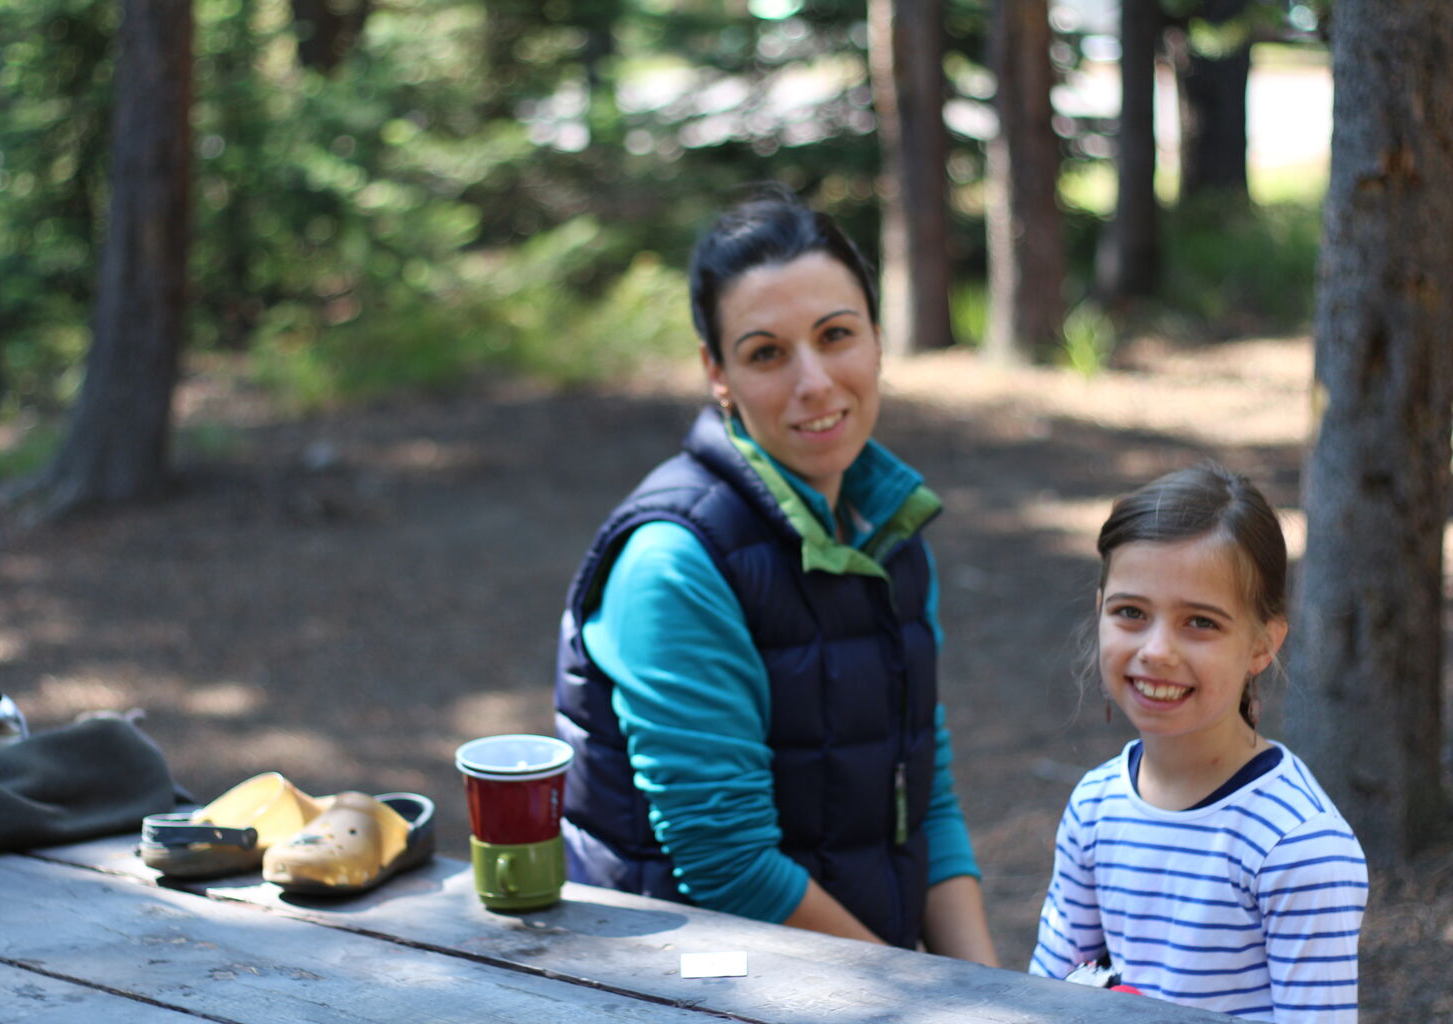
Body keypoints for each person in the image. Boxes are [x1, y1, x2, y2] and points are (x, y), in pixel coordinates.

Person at [553, 188, 997, 962]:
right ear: (715, 372)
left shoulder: (884, 523)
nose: (816, 382)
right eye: (767, 353)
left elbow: (924, 793)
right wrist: (931, 1002)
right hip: (682, 991)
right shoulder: (674, 563)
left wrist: (989, 994)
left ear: (878, 340)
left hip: (857, 986)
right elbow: (728, 866)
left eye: (837, 335)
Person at [1030, 467, 1369, 1021]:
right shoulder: (1094, 807)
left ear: (1263, 644)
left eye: (1200, 623)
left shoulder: (1297, 846)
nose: (1157, 650)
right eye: (1131, 613)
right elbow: (1049, 998)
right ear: (1100, 613)